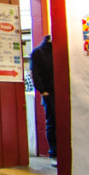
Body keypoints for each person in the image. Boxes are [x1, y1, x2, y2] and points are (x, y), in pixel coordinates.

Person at [29, 34, 56, 163]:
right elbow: (36, 73)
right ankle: (54, 153)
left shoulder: (61, 49)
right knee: (52, 122)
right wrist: (43, 91)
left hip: (63, 91)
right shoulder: (39, 52)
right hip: (49, 92)